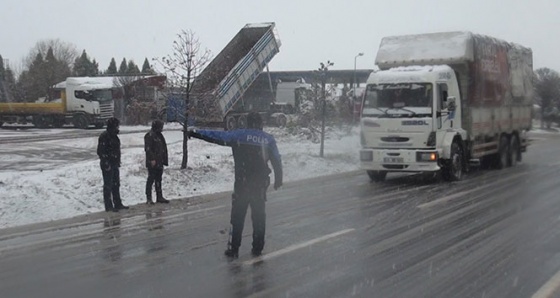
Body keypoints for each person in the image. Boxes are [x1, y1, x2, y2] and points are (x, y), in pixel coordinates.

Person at [188, 112, 283, 258]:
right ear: (260, 124)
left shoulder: (238, 135)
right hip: (259, 185)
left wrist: (195, 133)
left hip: (242, 184)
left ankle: (233, 248)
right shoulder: (268, 139)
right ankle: (257, 247)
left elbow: (216, 136)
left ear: (248, 122)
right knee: (258, 216)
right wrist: (278, 180)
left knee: (237, 217)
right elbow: (276, 159)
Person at [97, 117, 129, 212]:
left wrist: (117, 161)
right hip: (108, 164)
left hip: (114, 163)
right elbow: (100, 151)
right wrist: (106, 162)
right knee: (108, 185)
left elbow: (116, 150)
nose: (118, 128)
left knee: (116, 184)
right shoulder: (104, 136)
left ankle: (117, 203)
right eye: (116, 126)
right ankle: (108, 205)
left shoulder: (114, 136)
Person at [144, 119, 169, 204]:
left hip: (159, 161)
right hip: (153, 161)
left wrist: (163, 159)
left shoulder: (159, 136)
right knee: (151, 179)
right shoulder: (150, 135)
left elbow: (163, 148)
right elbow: (148, 149)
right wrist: (152, 159)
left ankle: (159, 196)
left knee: (158, 179)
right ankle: (149, 198)